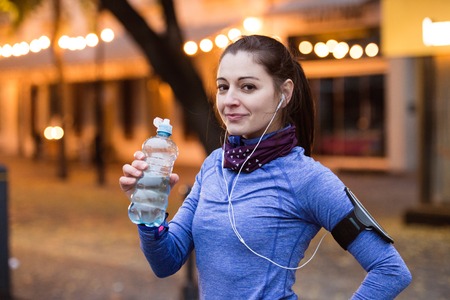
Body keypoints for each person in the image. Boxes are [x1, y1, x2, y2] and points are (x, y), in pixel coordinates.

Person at [119, 35, 412, 299]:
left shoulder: (308, 179)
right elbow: (166, 262)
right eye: (223, 87)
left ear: (284, 93)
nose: (230, 100)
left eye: (247, 87)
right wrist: (150, 208)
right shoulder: (213, 167)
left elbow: (390, 271)